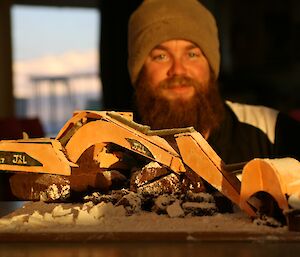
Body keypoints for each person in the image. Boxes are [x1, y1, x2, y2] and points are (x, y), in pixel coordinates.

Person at [127, 0, 300, 164]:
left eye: (192, 54)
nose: (178, 70)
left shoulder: (274, 132)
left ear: (211, 66)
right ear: (139, 70)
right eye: (161, 57)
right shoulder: (114, 151)